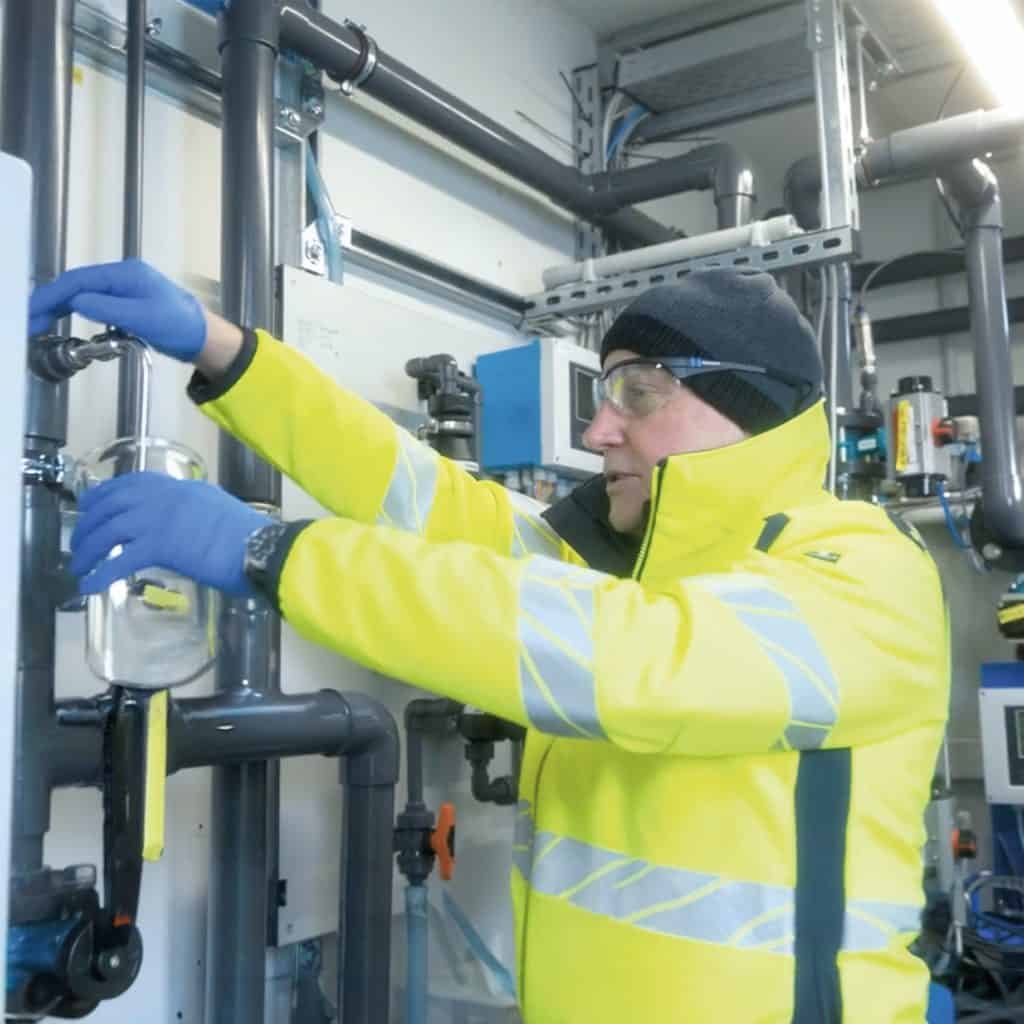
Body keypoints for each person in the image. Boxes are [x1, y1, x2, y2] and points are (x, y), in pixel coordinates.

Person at [30, 261, 949, 1022]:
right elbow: (420, 497)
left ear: (748, 409)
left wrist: (268, 550)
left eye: (638, 392)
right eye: (602, 392)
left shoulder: (861, 575)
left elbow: (629, 665)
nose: (598, 429)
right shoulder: (622, 564)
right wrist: (226, 353)